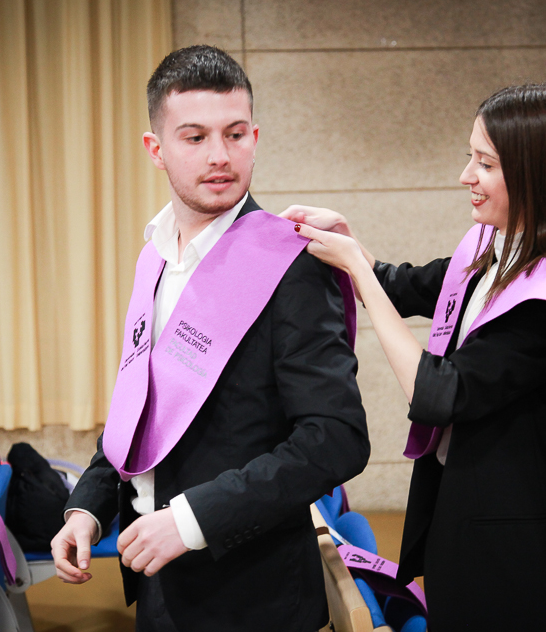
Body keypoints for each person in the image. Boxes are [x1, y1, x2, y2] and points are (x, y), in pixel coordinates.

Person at [50, 45, 370, 632]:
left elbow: (337, 440)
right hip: (156, 579)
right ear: (156, 149)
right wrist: (88, 506)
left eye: (235, 134)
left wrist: (192, 519)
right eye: (195, 137)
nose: (219, 156)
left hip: (251, 594)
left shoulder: (291, 264)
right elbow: (142, 407)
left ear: (255, 137)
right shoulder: (155, 256)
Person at [284, 83, 546, 630]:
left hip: (516, 545)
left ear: (536, 175)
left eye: (485, 163)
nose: (466, 175)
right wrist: (350, 245)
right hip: (464, 507)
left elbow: (438, 392)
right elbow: (404, 285)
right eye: (471, 156)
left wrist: (358, 271)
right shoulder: (493, 248)